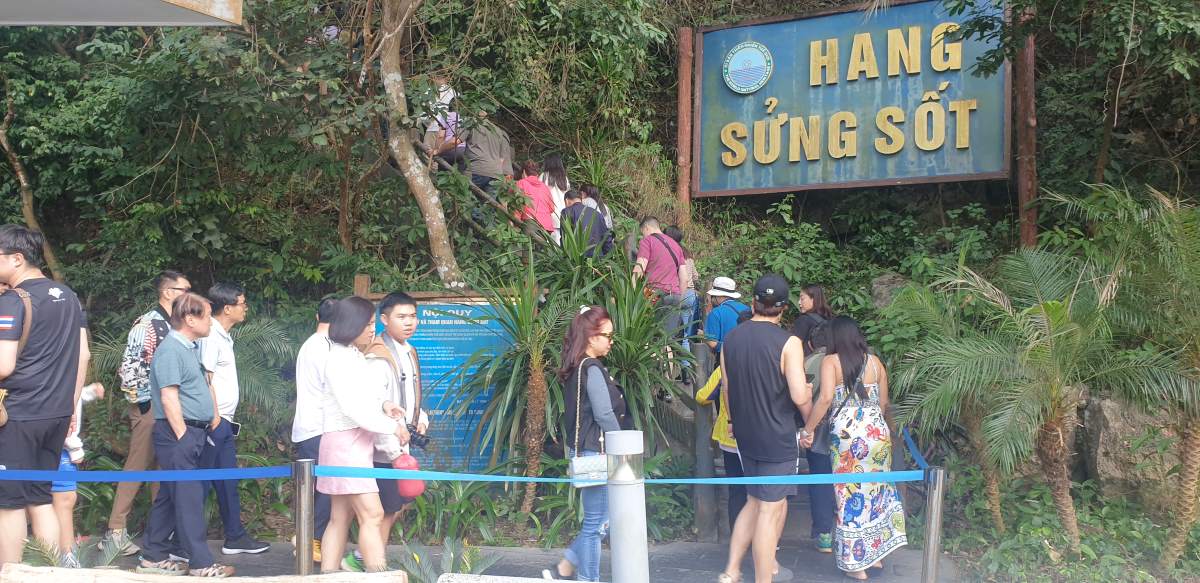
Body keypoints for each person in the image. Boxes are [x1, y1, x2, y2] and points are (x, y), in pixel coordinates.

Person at [0, 225, 89, 567]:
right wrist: (70, 407)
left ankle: (9, 574)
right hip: (55, 414)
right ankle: (52, 572)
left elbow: (4, 365)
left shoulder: (11, 300)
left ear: (17, 259)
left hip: (19, 416)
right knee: (41, 498)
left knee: (9, 503)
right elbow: (82, 355)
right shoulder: (67, 295)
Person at [718, 275, 812, 583]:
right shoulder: (789, 343)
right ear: (784, 308)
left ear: (754, 302)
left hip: (745, 434)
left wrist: (733, 421)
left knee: (754, 501)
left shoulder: (731, 339)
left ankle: (731, 571)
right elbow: (799, 395)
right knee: (769, 514)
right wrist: (810, 420)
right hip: (777, 435)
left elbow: (727, 388)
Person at [137, 292, 235, 578]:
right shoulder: (171, 349)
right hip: (179, 433)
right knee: (189, 497)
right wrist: (182, 436)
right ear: (190, 319)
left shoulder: (189, 348)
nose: (210, 322)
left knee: (170, 494)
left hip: (192, 431)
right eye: (206, 315)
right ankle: (201, 563)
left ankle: (153, 555)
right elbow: (169, 396)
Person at [801, 317, 906, 580]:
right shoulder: (876, 362)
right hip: (876, 433)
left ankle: (855, 563)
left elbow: (825, 399)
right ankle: (877, 556)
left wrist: (809, 430)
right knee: (877, 493)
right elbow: (883, 403)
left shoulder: (830, 362)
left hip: (847, 438)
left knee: (849, 496)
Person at [317, 296, 410, 574]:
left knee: (340, 518)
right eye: (368, 323)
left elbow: (366, 398)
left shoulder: (351, 355)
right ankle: (378, 575)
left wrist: (385, 405)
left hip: (349, 445)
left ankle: (328, 577)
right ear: (351, 324)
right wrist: (392, 426)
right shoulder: (339, 359)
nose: (372, 329)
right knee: (373, 514)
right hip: (347, 445)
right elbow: (354, 409)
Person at [103, 269, 191, 556]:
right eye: (184, 290)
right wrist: (145, 405)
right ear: (168, 292)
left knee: (162, 469)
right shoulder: (148, 324)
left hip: (169, 407)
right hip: (150, 406)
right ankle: (115, 531)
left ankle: (160, 533)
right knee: (137, 466)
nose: (189, 295)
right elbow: (131, 369)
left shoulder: (173, 324)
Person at [344, 292, 429, 571]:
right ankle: (365, 561)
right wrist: (393, 452)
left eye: (413, 316)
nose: (409, 322)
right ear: (384, 319)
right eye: (401, 317)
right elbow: (374, 406)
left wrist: (421, 417)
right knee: (384, 509)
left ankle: (367, 558)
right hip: (385, 449)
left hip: (400, 442)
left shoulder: (407, 350)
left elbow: (407, 395)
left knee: (391, 508)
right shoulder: (379, 356)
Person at [544, 306, 629, 581]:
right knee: (596, 523)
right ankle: (586, 578)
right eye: (606, 335)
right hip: (597, 451)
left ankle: (568, 564)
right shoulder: (591, 367)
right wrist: (621, 445)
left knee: (599, 521)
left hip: (586, 450)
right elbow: (604, 413)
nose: (610, 341)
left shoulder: (579, 365)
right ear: (591, 337)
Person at [198, 282, 271, 555]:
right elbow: (205, 378)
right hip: (213, 421)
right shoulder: (210, 337)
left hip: (225, 421)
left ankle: (235, 536)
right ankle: (183, 541)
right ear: (227, 308)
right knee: (202, 483)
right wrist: (214, 417)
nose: (246, 308)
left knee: (227, 480)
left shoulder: (224, 336)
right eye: (242, 303)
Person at [292, 295, 338, 563]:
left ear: (317, 317)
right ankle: (311, 542)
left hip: (309, 427)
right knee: (325, 488)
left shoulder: (311, 344)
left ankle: (308, 539)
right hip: (321, 428)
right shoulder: (327, 348)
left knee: (315, 488)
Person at [48, 381, 104, 568]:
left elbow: (76, 392)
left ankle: (66, 555)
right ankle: (63, 557)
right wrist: (75, 447)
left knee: (63, 499)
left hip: (63, 446)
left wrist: (90, 391)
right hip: (57, 444)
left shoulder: (70, 371)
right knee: (59, 500)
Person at [694, 367, 745, 534]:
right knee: (761, 490)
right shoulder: (765, 359)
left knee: (736, 489)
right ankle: (766, 540)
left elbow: (703, 396)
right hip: (760, 436)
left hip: (730, 437)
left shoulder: (724, 366)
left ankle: (738, 536)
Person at [633, 217, 688, 340]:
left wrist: (631, 293)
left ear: (646, 228)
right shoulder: (676, 245)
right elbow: (684, 278)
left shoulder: (647, 241)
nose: (643, 236)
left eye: (642, 232)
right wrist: (680, 299)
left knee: (651, 338)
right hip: (675, 295)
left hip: (654, 295)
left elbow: (639, 269)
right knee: (667, 340)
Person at [663, 226, 701, 363]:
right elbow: (696, 276)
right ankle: (687, 370)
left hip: (677, 294)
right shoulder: (687, 253)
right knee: (685, 335)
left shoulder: (668, 253)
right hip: (691, 296)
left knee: (667, 334)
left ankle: (669, 367)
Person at [463, 111, 514, 195]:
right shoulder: (498, 131)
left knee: (470, 200)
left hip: (478, 169)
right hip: (497, 173)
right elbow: (501, 159)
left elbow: (456, 142)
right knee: (490, 204)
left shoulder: (471, 124)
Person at [703, 276, 750, 355]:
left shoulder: (716, 313)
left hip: (727, 358)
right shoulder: (747, 308)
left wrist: (703, 335)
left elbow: (712, 343)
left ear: (717, 296)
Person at [560, 190, 612, 258]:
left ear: (566, 201)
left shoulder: (566, 212)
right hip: (597, 257)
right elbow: (606, 235)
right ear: (580, 200)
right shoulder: (596, 213)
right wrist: (606, 255)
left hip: (577, 259)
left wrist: (564, 257)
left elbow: (564, 238)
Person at [516, 160, 557, 236]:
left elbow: (516, 204)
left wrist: (515, 222)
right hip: (546, 224)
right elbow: (552, 208)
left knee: (528, 247)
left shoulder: (521, 183)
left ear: (524, 172)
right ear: (537, 174)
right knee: (542, 247)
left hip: (530, 222)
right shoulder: (544, 187)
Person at [790, 284, 835, 352]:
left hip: (807, 361)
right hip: (827, 361)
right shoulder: (830, 319)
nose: (799, 302)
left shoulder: (804, 320)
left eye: (802, 299)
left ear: (813, 299)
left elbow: (792, 347)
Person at [541, 154, 570, 243]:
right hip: (563, 214)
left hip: (550, 214)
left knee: (549, 244)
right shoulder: (564, 178)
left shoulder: (544, 176)